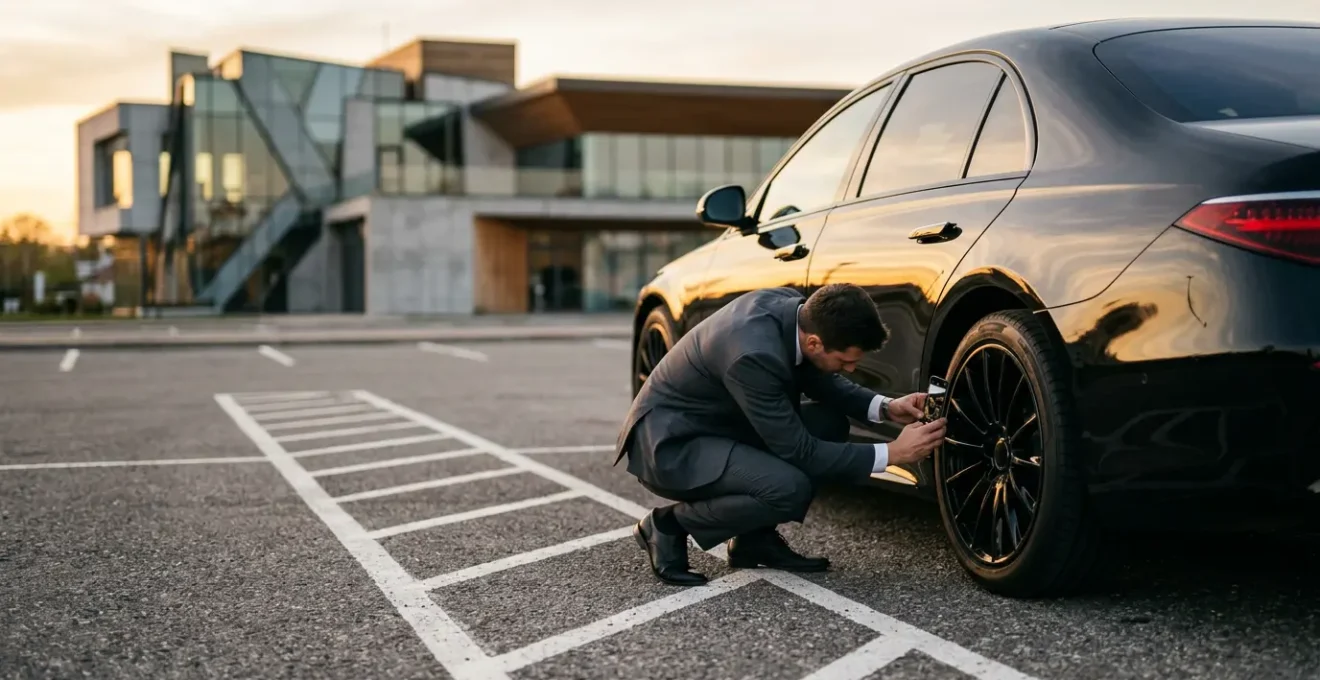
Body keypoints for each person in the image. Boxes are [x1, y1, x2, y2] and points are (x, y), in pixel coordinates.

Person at [613, 284, 948, 585]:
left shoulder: (794, 310)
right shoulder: (754, 355)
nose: (850, 369)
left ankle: (753, 540)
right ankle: (668, 526)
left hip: (719, 426)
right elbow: (800, 452)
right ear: (815, 341)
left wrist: (888, 407)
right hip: (672, 446)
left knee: (829, 424)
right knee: (787, 489)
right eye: (846, 361)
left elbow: (817, 376)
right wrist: (893, 453)